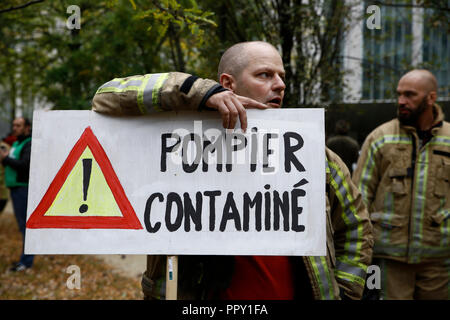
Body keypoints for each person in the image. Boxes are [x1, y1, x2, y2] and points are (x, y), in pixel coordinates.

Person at [92, 41, 373, 300]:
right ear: (228, 83)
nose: (279, 85)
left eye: (282, 77)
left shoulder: (313, 156)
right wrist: (199, 92)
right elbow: (105, 97)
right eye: (264, 75)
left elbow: (354, 228)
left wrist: (345, 293)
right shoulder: (184, 146)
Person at [353, 69, 450, 300]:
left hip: (440, 260)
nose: (401, 101)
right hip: (388, 260)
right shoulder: (380, 137)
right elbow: (359, 197)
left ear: (431, 98)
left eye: (410, 95)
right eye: (399, 94)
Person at [0, 117, 34, 271]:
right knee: (22, 226)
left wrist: (6, 158)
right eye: (14, 125)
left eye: (19, 125)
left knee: (26, 227)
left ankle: (26, 262)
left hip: (23, 189)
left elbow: (25, 166)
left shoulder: (29, 143)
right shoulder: (17, 143)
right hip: (15, 189)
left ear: (27, 127)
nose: (15, 128)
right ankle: (25, 260)